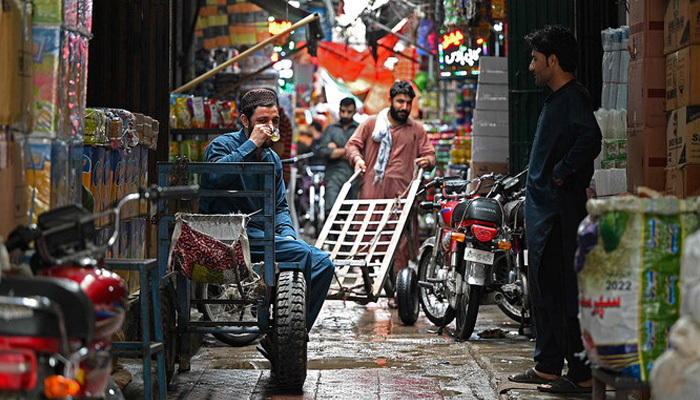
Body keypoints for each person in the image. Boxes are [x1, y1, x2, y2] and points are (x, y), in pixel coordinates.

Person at [199, 89, 335, 360]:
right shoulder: (222, 146)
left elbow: (280, 207)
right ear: (245, 121)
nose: (270, 127)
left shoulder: (272, 159)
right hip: (226, 237)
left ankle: (285, 335)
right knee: (319, 262)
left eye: (273, 121)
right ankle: (286, 340)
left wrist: (287, 233)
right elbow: (214, 177)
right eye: (262, 121)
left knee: (320, 262)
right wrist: (251, 145)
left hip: (261, 239)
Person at [507, 25, 602, 394]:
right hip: (544, 214)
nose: (531, 67)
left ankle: (581, 375)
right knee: (544, 292)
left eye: (534, 59)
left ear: (553, 60)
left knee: (564, 293)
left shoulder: (573, 97)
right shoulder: (557, 100)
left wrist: (561, 173)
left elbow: (590, 139)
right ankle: (547, 365)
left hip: (561, 216)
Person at [345, 80, 436, 291]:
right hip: (371, 195)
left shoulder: (417, 129)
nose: (404, 107)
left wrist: (427, 161)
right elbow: (352, 145)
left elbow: (430, 154)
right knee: (367, 238)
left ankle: (398, 291)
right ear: (390, 100)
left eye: (408, 103)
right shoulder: (370, 124)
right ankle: (368, 284)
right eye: (400, 101)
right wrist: (357, 160)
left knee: (400, 244)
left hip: (401, 198)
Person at [316, 97, 360, 216]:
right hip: (333, 176)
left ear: (354, 111)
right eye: (343, 111)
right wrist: (349, 151)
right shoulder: (331, 128)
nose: (345, 115)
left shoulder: (359, 129)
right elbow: (325, 152)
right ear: (339, 110)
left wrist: (336, 150)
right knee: (331, 211)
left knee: (351, 214)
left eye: (349, 112)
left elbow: (362, 153)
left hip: (354, 177)